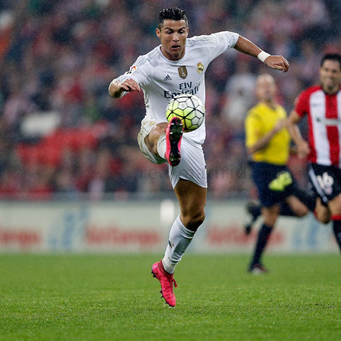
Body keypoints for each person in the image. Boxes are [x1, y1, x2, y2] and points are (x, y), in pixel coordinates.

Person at [108, 7, 289, 307]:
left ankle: (165, 268)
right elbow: (115, 86)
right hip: (153, 135)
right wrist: (121, 86)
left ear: (187, 31)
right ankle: (170, 145)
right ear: (158, 33)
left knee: (195, 216)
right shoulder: (148, 63)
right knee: (163, 128)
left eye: (180, 31)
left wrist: (264, 57)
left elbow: (232, 38)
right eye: (169, 31)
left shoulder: (201, 47)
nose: (176, 38)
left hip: (192, 142)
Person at [286, 53, 341, 281]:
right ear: (320, 71)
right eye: (326, 70)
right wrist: (300, 143)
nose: (329, 75)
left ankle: (293, 191)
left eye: (334, 71)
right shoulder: (308, 97)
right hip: (318, 163)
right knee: (339, 207)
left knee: (324, 216)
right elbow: (291, 122)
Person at [244, 74, 317, 274]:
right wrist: (273, 132)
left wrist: (297, 150)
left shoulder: (281, 112)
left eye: (269, 84)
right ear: (257, 92)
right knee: (277, 214)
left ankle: (258, 211)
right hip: (264, 169)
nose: (266, 88)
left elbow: (282, 146)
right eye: (262, 85)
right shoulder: (255, 115)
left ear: (275, 89)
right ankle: (254, 264)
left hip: (281, 168)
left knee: (298, 211)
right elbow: (253, 147)